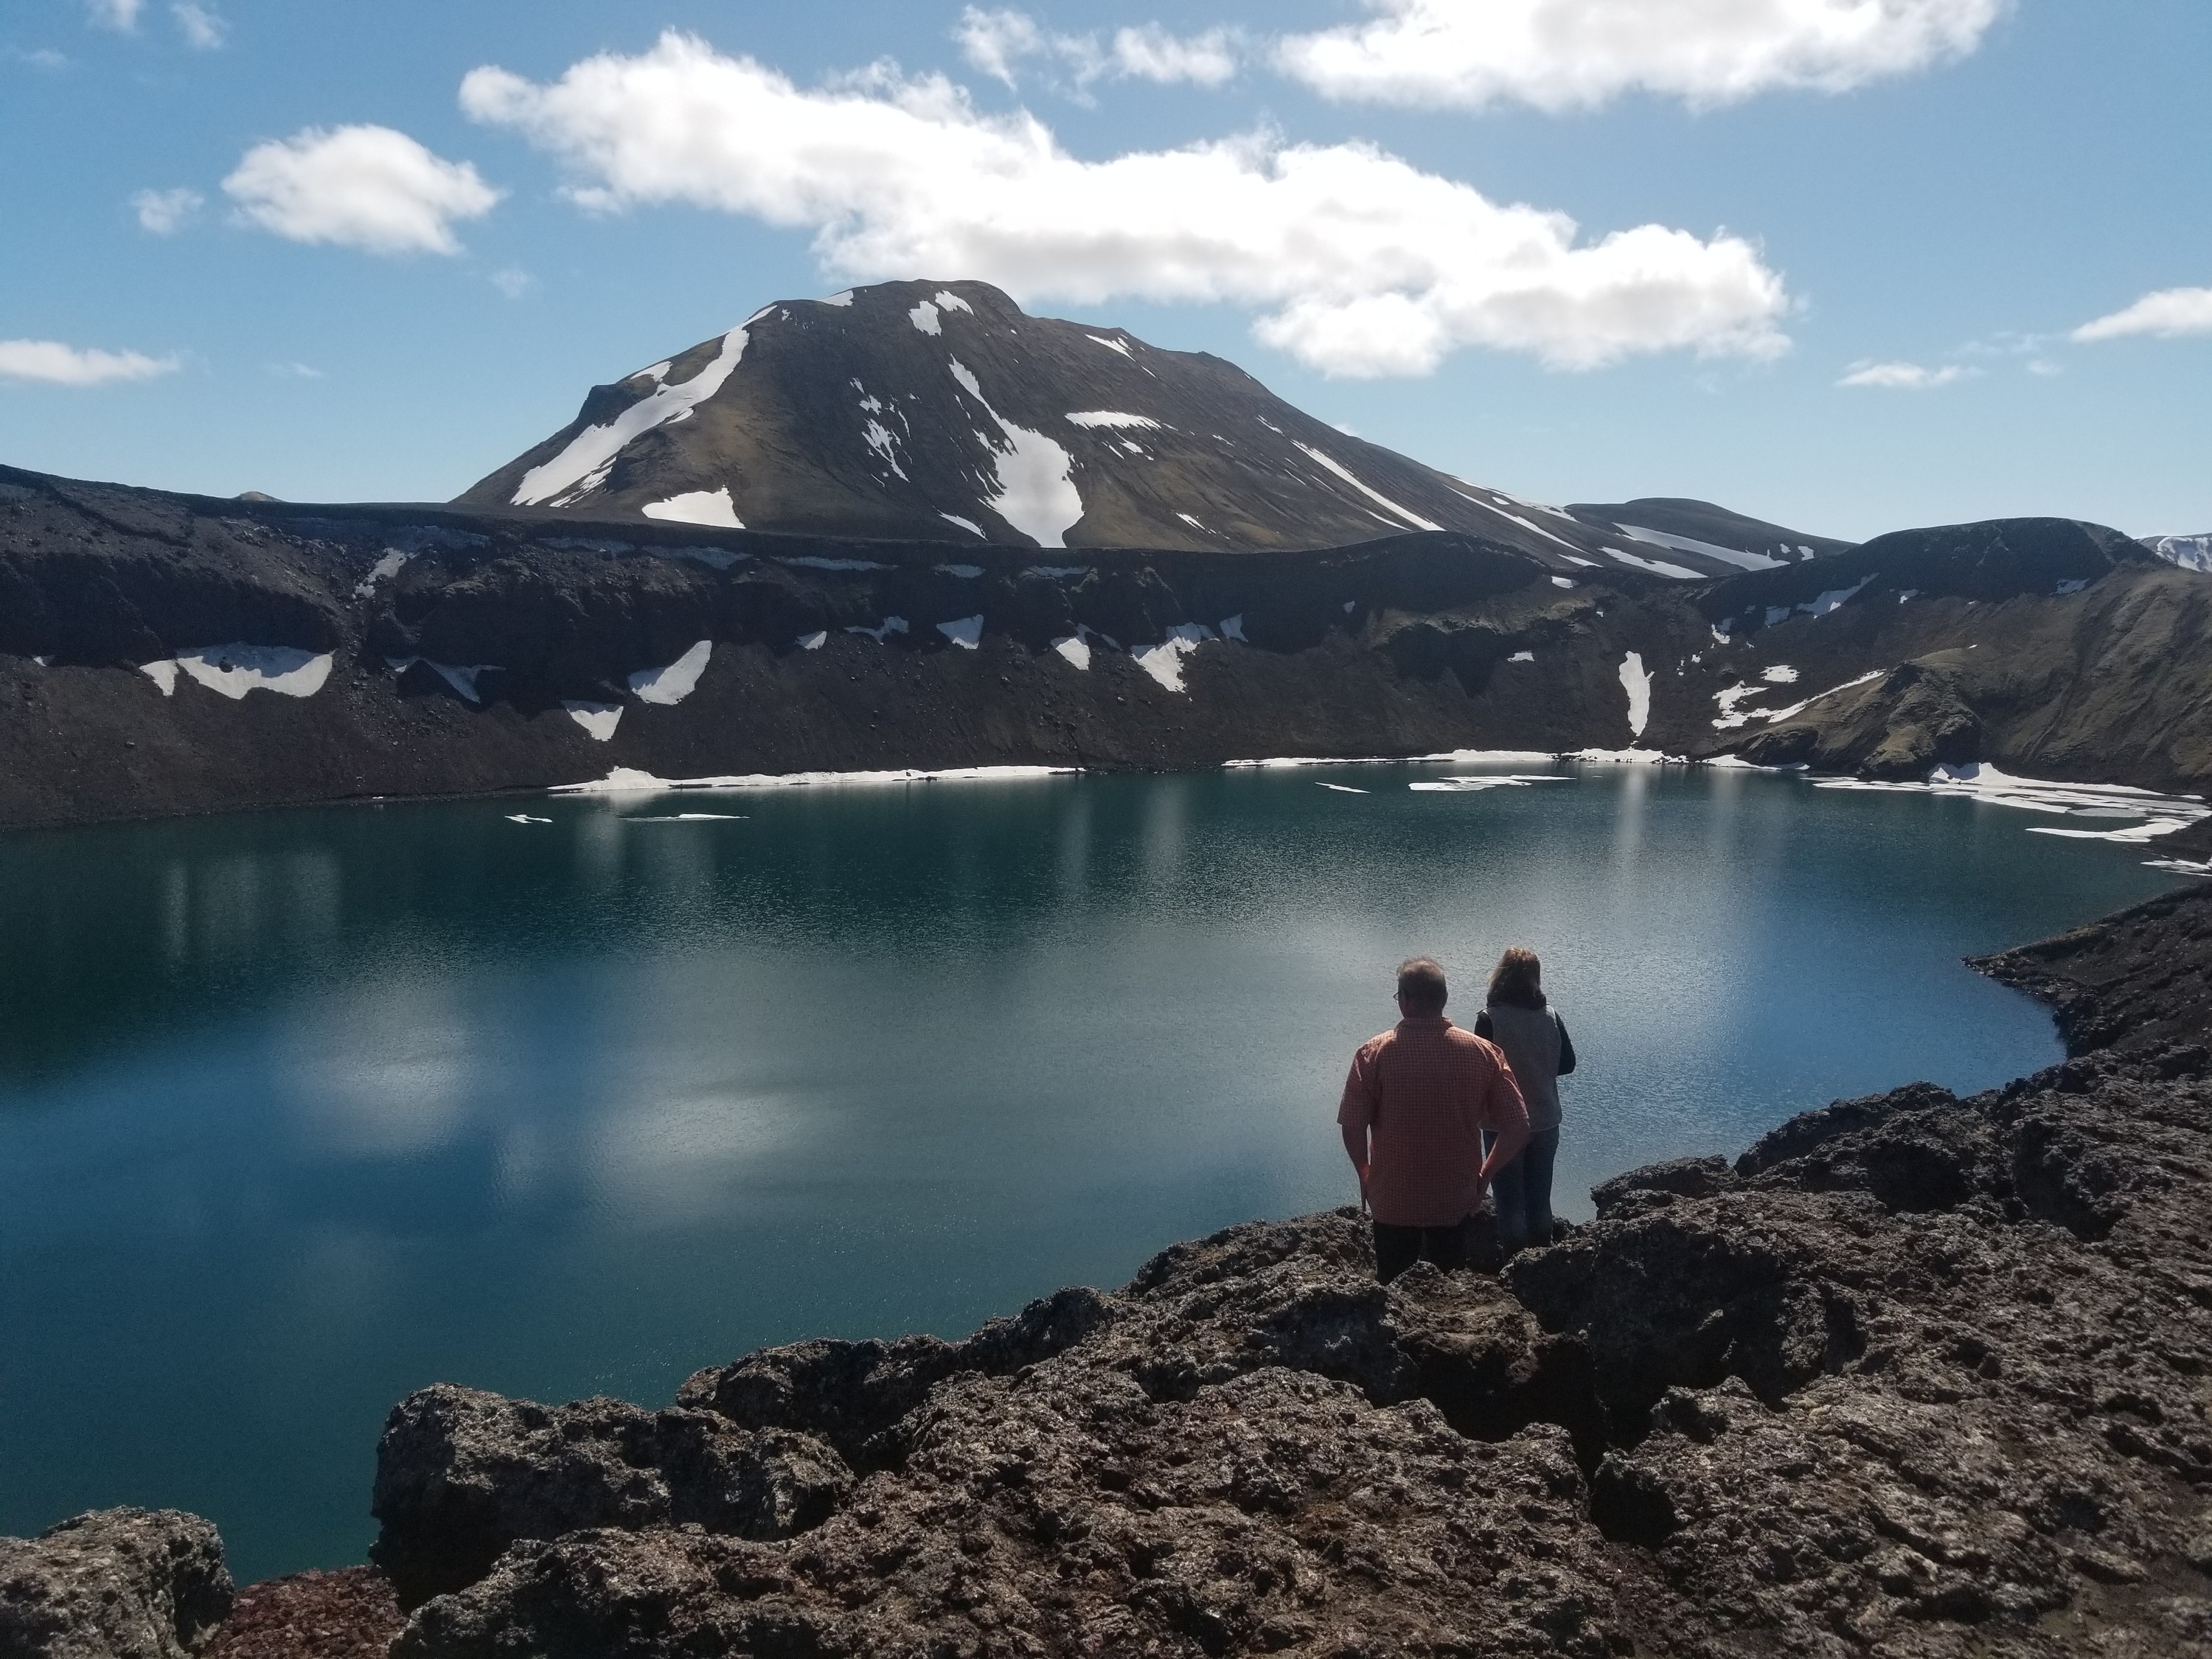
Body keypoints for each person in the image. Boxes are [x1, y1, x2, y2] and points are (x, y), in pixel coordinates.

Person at [1338, 956, 1530, 1283]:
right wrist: (1484, 1177)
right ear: (1443, 999)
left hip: (1392, 1198)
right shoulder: (1484, 1053)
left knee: (1392, 1288)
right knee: (1447, 1287)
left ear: (1407, 1000)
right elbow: (1518, 1126)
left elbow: (1353, 1123)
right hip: (1455, 1200)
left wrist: (1364, 1173)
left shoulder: (1373, 1054)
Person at [1472, 947, 1576, 1253]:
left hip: (1502, 1125)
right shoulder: (1551, 1016)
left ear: (1500, 975)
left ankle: (1516, 1269)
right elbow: (1568, 1064)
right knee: (1539, 1200)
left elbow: (1479, 1073)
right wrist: (1538, 1065)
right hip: (1545, 1120)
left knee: (1509, 1205)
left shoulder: (1489, 1019)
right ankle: (1543, 1261)